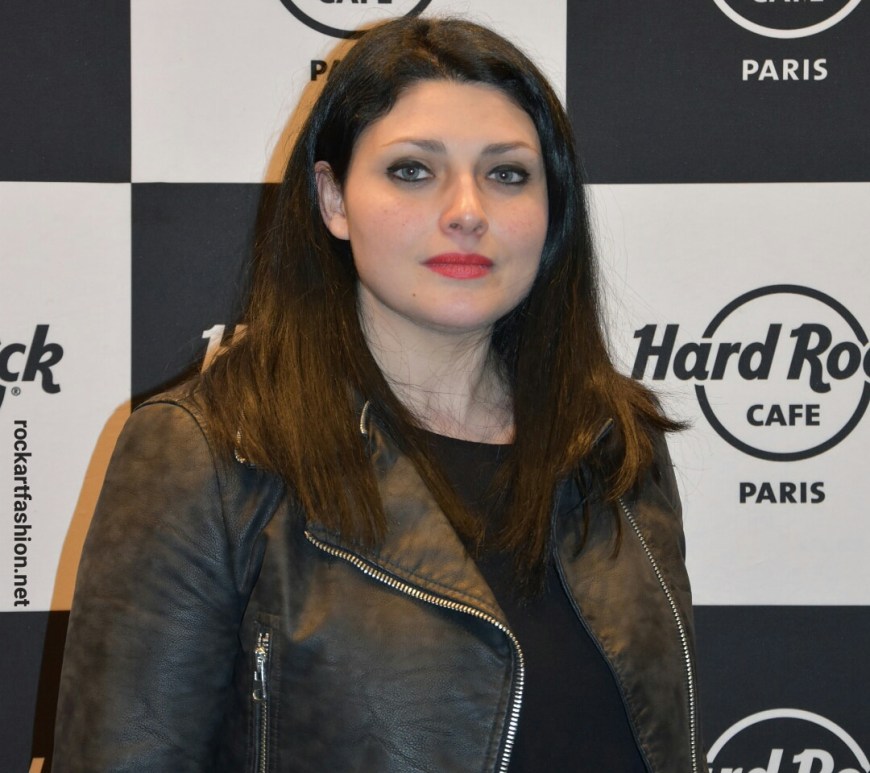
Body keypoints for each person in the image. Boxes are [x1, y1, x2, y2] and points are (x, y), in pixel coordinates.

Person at [54, 15, 706, 773]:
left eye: (507, 174)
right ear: (333, 199)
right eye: (412, 171)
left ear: (552, 207)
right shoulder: (206, 454)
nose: (467, 211)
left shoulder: (613, 442)